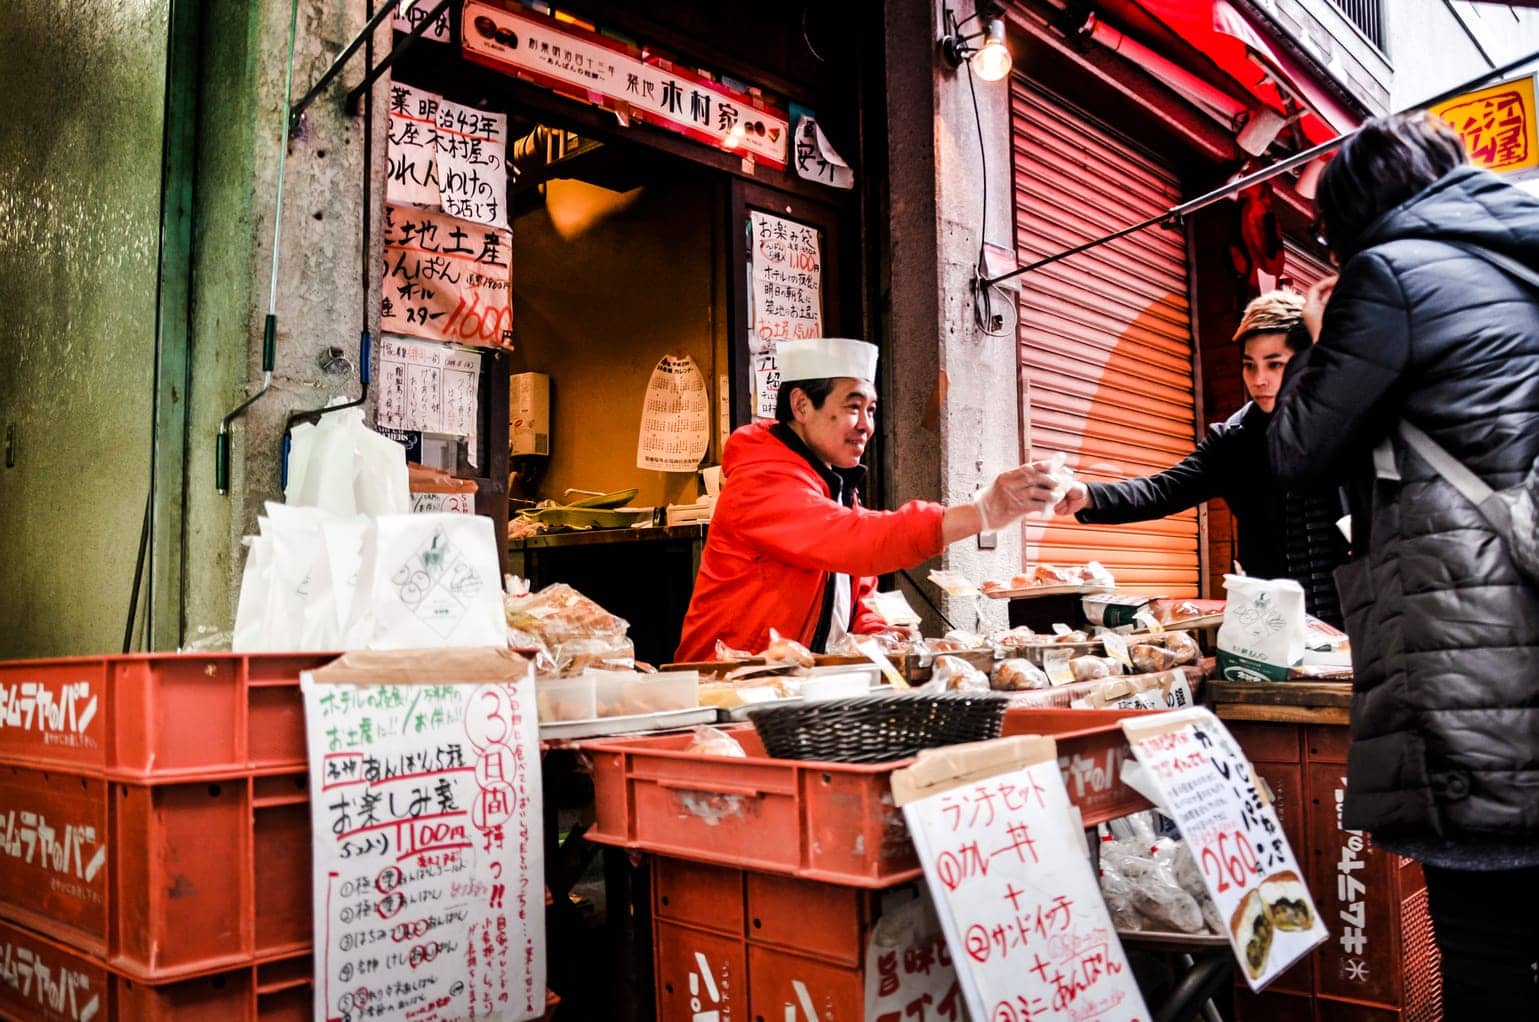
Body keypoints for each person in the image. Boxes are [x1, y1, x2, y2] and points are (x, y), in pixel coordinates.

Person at [1267, 111, 1539, 1014]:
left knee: (1486, 949)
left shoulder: (1391, 274)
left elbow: (1298, 453)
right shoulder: (1516, 256)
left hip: (1470, 641)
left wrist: (1315, 339)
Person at [675, 337, 1058, 661]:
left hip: (797, 685)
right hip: (728, 684)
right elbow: (854, 541)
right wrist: (980, 513)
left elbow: (860, 595)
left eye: (871, 410)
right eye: (853, 406)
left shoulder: (835, 486)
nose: (866, 425)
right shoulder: (760, 482)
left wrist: (882, 636)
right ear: (801, 406)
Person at [1053, 291, 1348, 625]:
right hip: (1273, 624)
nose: (1258, 380)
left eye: (1275, 364)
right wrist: (1089, 496)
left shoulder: (1349, 422)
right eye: (1249, 366)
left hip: (1359, 614)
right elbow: (1163, 490)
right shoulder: (1235, 440)